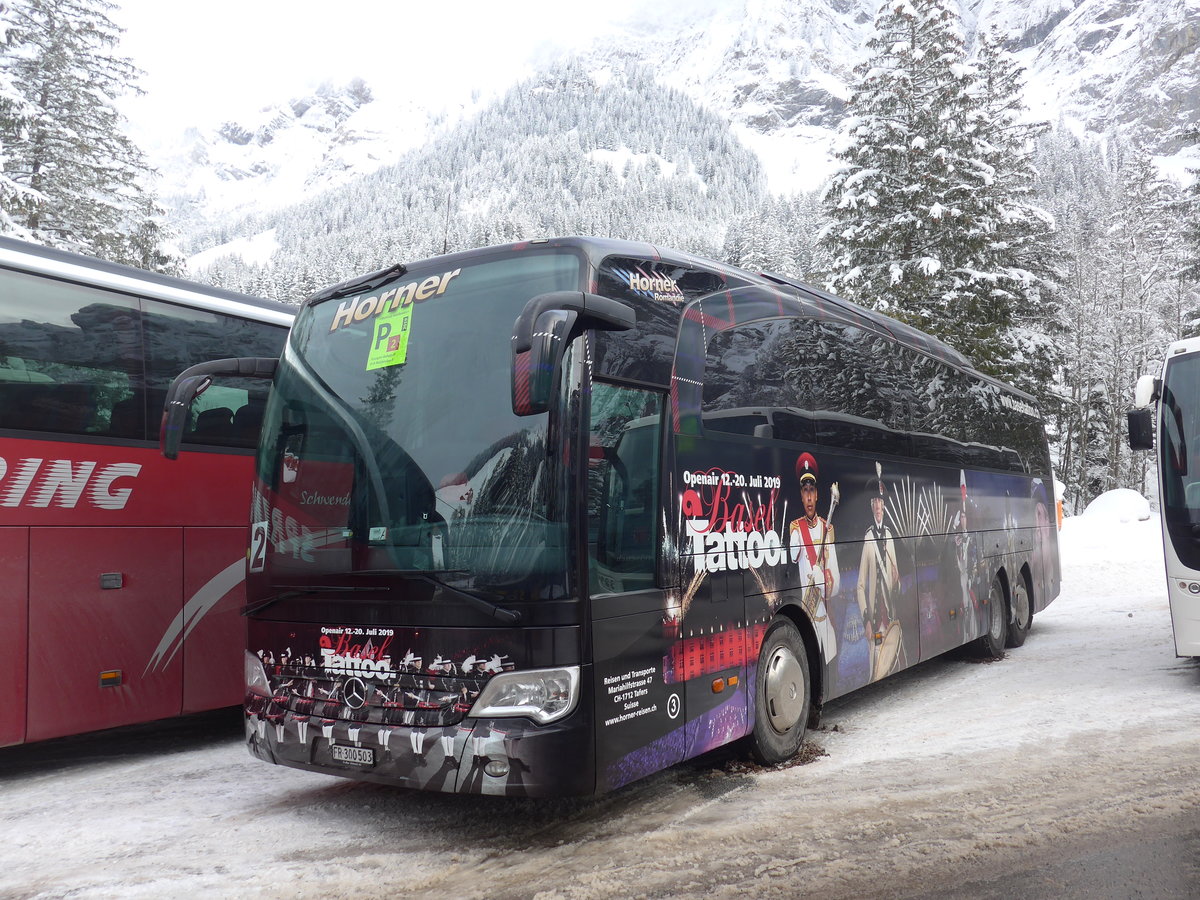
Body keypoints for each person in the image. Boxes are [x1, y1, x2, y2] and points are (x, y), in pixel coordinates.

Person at [788, 452, 839, 660]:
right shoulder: (796, 529)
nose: (809, 497)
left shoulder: (828, 528)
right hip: (807, 618)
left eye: (812, 490)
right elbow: (793, 555)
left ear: (817, 494)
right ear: (801, 496)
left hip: (825, 619)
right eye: (805, 491)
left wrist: (823, 582)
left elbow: (837, 584)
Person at [856, 463, 901, 681]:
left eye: (881, 501)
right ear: (871, 505)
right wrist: (865, 619)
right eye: (874, 502)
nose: (878, 506)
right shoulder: (868, 538)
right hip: (874, 618)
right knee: (874, 670)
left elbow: (895, 584)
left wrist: (896, 581)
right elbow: (860, 586)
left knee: (890, 666)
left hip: (889, 616)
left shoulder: (890, 536)